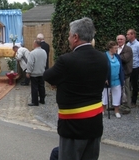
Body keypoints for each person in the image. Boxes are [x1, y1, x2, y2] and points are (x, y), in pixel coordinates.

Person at [43, 17, 108, 160]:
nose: (68, 38)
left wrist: (60, 83)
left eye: (69, 35)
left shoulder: (67, 60)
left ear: (76, 37)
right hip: (95, 125)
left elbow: (47, 76)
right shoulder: (103, 58)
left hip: (73, 127)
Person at [103, 41, 124, 118]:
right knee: (105, 95)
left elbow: (121, 67)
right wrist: (104, 78)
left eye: (117, 48)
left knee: (117, 95)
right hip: (107, 80)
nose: (116, 49)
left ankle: (116, 111)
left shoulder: (117, 56)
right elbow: (102, 68)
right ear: (110, 48)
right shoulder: (104, 56)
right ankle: (103, 111)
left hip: (117, 79)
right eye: (115, 48)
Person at [26, 40, 47, 106]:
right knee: (41, 86)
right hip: (42, 72)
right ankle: (42, 100)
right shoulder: (44, 52)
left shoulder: (32, 53)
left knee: (34, 88)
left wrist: (28, 72)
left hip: (34, 73)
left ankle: (35, 102)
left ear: (35, 44)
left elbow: (30, 63)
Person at [117, 34, 133, 110]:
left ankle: (128, 106)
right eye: (118, 39)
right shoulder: (116, 48)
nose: (119, 41)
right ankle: (116, 105)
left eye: (121, 39)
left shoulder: (128, 49)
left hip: (126, 72)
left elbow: (125, 59)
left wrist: (114, 55)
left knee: (126, 89)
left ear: (124, 40)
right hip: (117, 72)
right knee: (116, 89)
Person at [126, 29, 139, 108]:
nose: (127, 36)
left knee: (134, 84)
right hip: (128, 68)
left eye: (128, 34)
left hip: (135, 67)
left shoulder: (138, 45)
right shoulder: (127, 44)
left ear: (133, 35)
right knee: (127, 84)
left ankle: (134, 101)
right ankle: (128, 100)